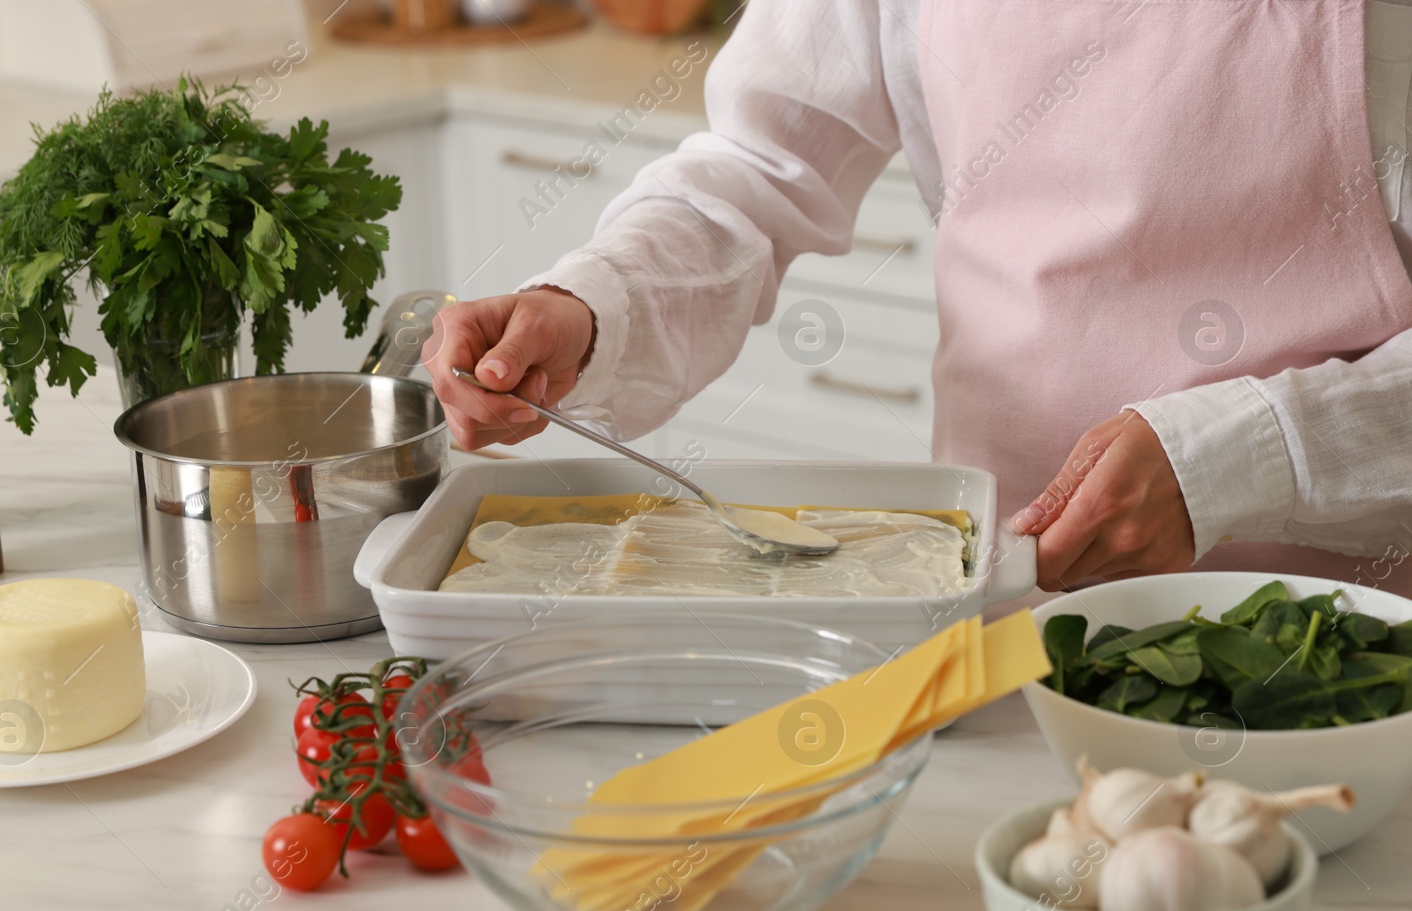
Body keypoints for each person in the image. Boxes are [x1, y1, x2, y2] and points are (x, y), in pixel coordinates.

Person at [424, 0, 1412, 595]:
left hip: (1348, 627)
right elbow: (763, 164)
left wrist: (1239, 454)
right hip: (1008, 587)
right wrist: (594, 305)